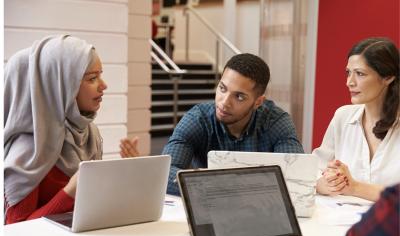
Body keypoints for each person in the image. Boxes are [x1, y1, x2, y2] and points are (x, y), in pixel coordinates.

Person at [121, 53, 304, 195]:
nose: (224, 102)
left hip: (262, 214)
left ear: (258, 102)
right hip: (210, 208)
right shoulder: (198, 119)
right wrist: (224, 185)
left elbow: (298, 175)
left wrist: (208, 182)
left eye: (239, 96)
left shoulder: (277, 122)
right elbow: (166, 174)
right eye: (222, 89)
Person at [4, 35, 107, 224]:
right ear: (60, 86)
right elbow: (16, 229)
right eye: (92, 78)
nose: (104, 85)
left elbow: (89, 207)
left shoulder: (88, 133)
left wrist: (128, 172)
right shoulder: (30, 149)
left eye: (100, 75)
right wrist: (70, 192)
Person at [313, 37, 400, 201]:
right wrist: (324, 183)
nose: (349, 82)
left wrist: (355, 188)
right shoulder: (342, 116)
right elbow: (314, 169)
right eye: (348, 73)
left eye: (360, 74)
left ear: (388, 77)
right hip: (337, 221)